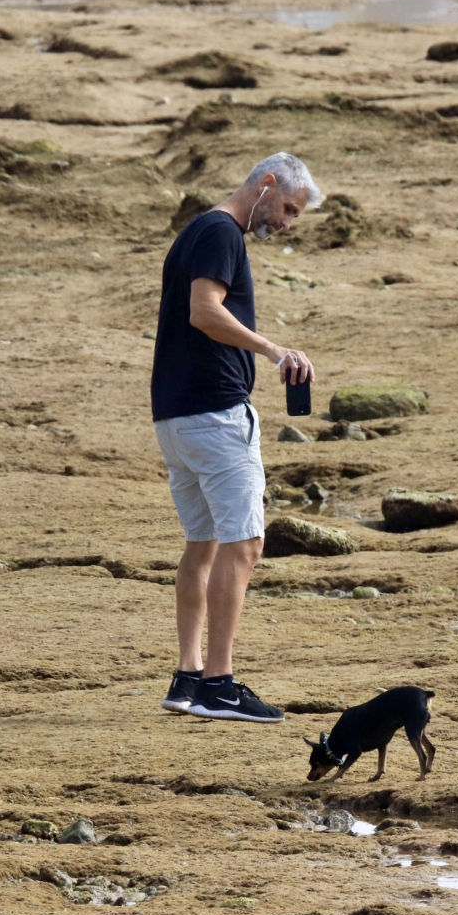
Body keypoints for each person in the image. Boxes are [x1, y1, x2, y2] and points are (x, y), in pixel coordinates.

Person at [150, 152, 323, 723]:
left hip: (175, 418)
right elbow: (205, 311)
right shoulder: (223, 231)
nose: (287, 222)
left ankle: (187, 677)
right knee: (245, 543)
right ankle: (220, 684)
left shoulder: (198, 229)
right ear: (266, 185)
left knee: (202, 544)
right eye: (289, 209)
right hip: (214, 416)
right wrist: (274, 350)